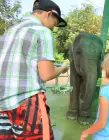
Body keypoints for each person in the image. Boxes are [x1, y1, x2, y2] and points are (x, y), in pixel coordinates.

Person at [0, 0, 68, 139]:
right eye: (54, 23)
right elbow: (46, 74)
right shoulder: (43, 31)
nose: (53, 28)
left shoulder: (10, 31)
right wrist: (62, 68)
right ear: (49, 14)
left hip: (2, 105)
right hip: (28, 103)